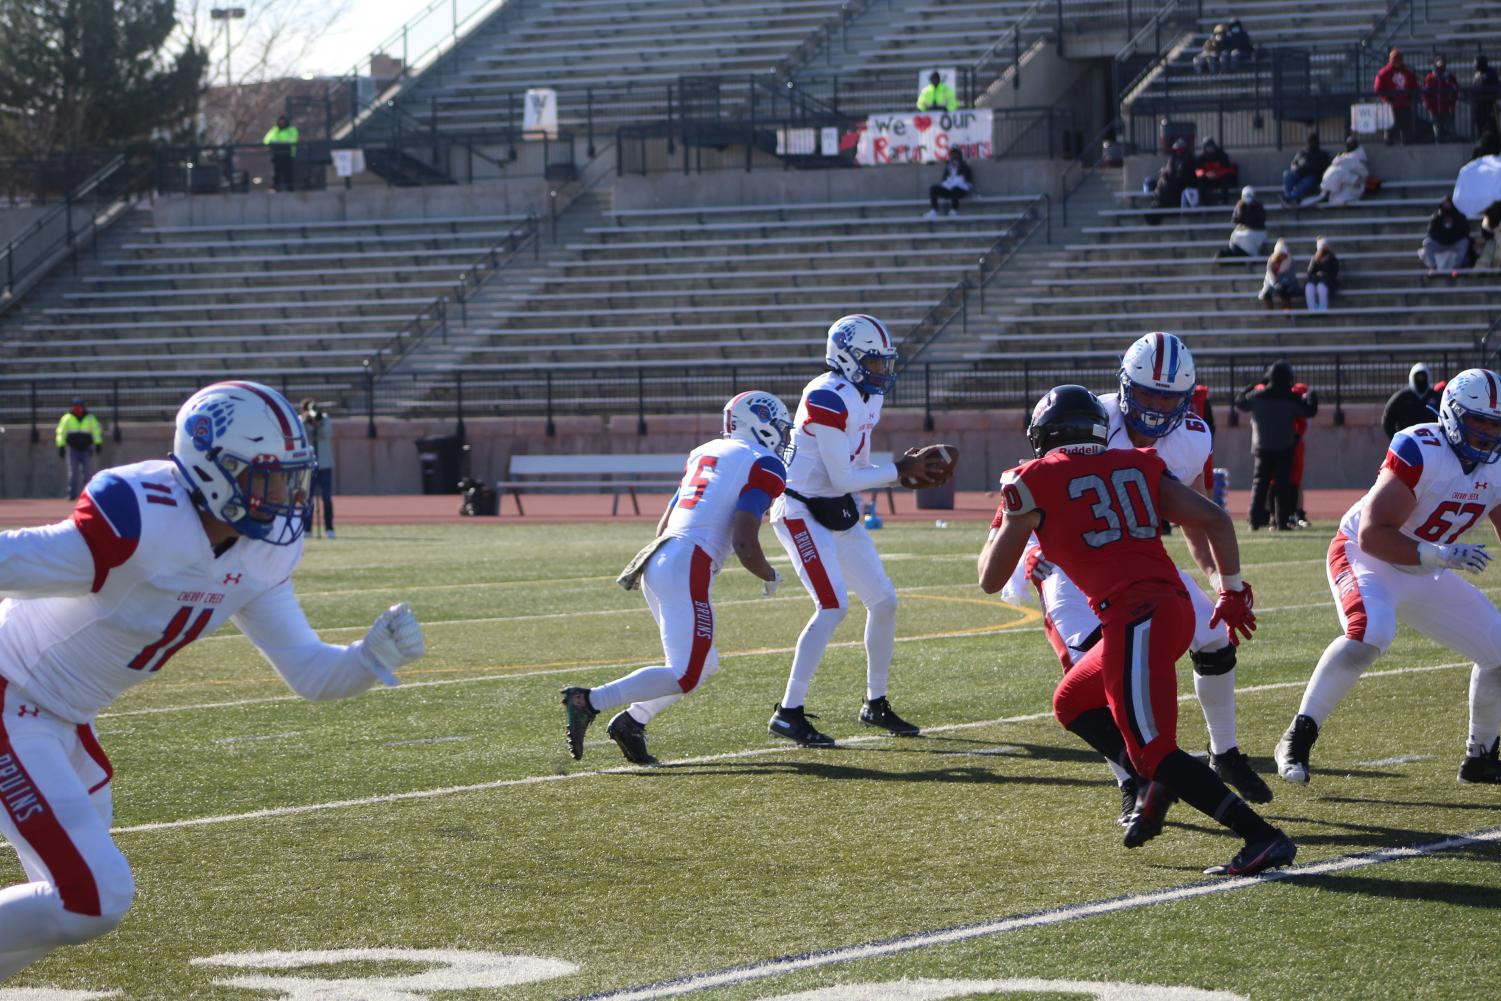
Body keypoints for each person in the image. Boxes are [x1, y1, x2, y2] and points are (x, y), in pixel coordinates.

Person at [0, 380, 427, 980]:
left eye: (290, 478)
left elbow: (308, 672)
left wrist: (365, 657)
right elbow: (11, 558)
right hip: (10, 696)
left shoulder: (262, 554)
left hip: (60, 717)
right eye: (265, 477)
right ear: (210, 470)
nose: (284, 496)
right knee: (90, 896)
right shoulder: (141, 518)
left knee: (66, 905)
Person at [980, 385, 1293, 876]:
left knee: (1154, 752)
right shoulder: (1141, 464)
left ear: (1045, 435)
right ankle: (1161, 780)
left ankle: (1260, 836)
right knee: (1071, 701)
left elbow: (990, 578)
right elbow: (1212, 519)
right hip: (1171, 608)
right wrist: (1229, 589)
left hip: (1135, 616)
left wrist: (1008, 517)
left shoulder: (1032, 479)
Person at [1275, 369, 1501, 786]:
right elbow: (1373, 534)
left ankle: (1481, 757)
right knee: (1371, 631)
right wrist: (1441, 554)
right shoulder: (1422, 448)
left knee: (1500, 650)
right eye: (1478, 421)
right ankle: (1297, 737)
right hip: (1366, 556)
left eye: (1496, 424)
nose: (1488, 434)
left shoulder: (1497, 466)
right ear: (1452, 416)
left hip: (1427, 568)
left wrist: (1436, 558)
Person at [561, 392, 791, 765]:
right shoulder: (764, 463)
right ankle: (589, 701)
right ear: (760, 423)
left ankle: (632, 722)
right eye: (780, 428)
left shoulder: (705, 451)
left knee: (703, 665)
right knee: (687, 673)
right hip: (687, 561)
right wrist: (770, 574)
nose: (783, 437)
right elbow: (745, 540)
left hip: (660, 555)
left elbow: (664, 523)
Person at [767, 314, 952, 747]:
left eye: (885, 362)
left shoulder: (864, 395)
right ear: (846, 358)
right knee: (832, 606)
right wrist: (898, 470)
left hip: (837, 507)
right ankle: (788, 712)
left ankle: (876, 702)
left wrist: (898, 471)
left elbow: (855, 471)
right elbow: (841, 475)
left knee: (884, 601)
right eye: (873, 361)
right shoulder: (826, 396)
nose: (882, 370)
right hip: (800, 509)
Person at [1236, 361, 1318, 530]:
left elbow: (1240, 403)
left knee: (1260, 484)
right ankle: (1282, 521)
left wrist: (1245, 390)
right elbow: (1309, 411)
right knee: (1282, 487)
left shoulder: (1258, 397)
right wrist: (1312, 396)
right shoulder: (1290, 398)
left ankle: (1254, 520)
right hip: (1284, 447)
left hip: (1262, 447)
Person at [299, 399, 335, 538]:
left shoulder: (325, 418)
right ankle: (307, 529)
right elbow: (302, 437)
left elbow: (325, 435)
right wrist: (306, 421)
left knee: (326, 498)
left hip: (325, 464)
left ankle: (329, 529)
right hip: (308, 465)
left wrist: (318, 424)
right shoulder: (300, 420)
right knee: (307, 499)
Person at [55, 398, 103, 502]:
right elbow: (61, 432)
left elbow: (96, 431)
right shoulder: (67, 418)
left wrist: (98, 443)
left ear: (83, 407)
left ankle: (89, 495)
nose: (77, 408)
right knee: (73, 472)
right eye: (75, 406)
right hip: (73, 448)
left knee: (87, 472)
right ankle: (72, 494)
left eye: (79, 406)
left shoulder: (90, 418)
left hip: (86, 448)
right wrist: (61, 446)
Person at [1381, 363, 1441, 437]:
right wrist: (1396, 439)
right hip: (1408, 442)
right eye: (1418, 377)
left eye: (1423, 377)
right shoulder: (1401, 398)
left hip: (1432, 442)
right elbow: (1387, 421)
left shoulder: (1436, 397)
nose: (1420, 381)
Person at [1418, 194, 1471, 276]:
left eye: (1448, 203)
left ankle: (1456, 268)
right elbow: (1431, 232)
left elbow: (1465, 231)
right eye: (1444, 203)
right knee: (1427, 243)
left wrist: (1453, 237)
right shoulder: (1435, 217)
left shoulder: (1459, 216)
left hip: (1454, 243)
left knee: (1464, 242)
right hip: (1440, 244)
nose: (1447, 205)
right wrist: (1443, 238)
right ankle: (1433, 268)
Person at [1374, 48, 1419, 145]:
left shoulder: (1408, 72)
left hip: (1405, 105)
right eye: (1394, 60)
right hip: (1390, 107)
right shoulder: (1384, 73)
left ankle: (1408, 150)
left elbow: (1415, 87)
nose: (1397, 62)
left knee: (1407, 131)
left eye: (1398, 60)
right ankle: (1389, 148)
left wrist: (1409, 98)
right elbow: (1378, 90)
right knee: (1390, 130)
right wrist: (1387, 99)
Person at [1215, 185, 1266, 260]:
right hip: (1242, 231)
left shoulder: (1258, 206)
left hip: (1256, 231)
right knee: (1235, 236)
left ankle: (1251, 254)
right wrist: (1240, 212)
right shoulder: (1239, 206)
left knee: (1246, 236)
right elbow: (1234, 221)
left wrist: (1247, 225)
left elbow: (1260, 222)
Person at [1151, 138, 1198, 217]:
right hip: (1173, 182)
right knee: (1164, 179)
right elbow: (1170, 171)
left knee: (1170, 186)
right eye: (1177, 149)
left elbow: (1189, 173)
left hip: (1185, 182)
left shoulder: (1190, 159)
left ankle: (1168, 207)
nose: (1178, 152)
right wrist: (1166, 171)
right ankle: (1158, 199)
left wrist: (1174, 175)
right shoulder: (1172, 159)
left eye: (1180, 149)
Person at [1318, 135, 1369, 207]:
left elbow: (1363, 172)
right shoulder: (1344, 156)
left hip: (1355, 183)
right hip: (1343, 182)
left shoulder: (1359, 155)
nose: (1350, 146)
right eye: (1348, 144)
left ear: (1356, 144)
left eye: (1352, 144)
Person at [1281, 132, 1330, 205]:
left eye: (1313, 141)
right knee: (1287, 174)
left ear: (1317, 142)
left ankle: (1292, 197)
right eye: (1310, 141)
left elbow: (1322, 168)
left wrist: (1307, 167)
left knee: (1308, 180)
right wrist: (1296, 167)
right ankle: (1289, 196)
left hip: (1313, 178)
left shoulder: (1322, 155)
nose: (1311, 143)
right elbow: (1294, 164)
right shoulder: (1302, 153)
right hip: (1299, 175)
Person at [926, 148, 974, 219]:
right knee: (933, 188)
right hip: (948, 189)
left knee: (955, 189)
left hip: (959, 191)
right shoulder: (948, 168)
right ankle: (934, 210)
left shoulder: (965, 167)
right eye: (952, 155)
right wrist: (947, 183)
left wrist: (961, 181)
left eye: (956, 154)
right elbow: (943, 180)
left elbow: (969, 181)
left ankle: (953, 210)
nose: (954, 157)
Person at [1422, 56, 1460, 143]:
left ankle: (1453, 146)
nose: (1440, 68)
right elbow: (1425, 93)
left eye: (1442, 66)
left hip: (1448, 108)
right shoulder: (1430, 77)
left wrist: (1452, 103)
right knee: (1437, 130)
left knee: (1451, 130)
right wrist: (1428, 105)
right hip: (1434, 108)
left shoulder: (1450, 77)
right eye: (1439, 66)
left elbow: (1456, 90)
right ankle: (1439, 146)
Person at [1258, 238, 1299, 310]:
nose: (1283, 256)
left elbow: (1291, 276)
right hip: (1272, 283)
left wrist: (1283, 283)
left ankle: (1287, 311)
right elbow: (1270, 276)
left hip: (1287, 283)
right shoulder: (1271, 261)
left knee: (1284, 291)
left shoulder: (1290, 261)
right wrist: (1277, 284)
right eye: (1281, 254)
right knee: (1266, 294)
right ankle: (1269, 312)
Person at [1195, 138, 1238, 204]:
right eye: (1207, 147)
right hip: (1208, 180)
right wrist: (1206, 174)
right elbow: (1197, 171)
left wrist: (1216, 174)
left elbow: (1229, 170)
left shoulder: (1222, 155)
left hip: (1220, 180)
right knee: (1200, 181)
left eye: (1210, 147)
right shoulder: (1201, 158)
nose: (1209, 149)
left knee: (1226, 178)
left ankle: (1224, 201)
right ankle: (1204, 203)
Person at [263, 115, 298, 192]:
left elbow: (293, 140)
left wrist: (280, 142)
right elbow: (266, 140)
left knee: (288, 172)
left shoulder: (291, 130)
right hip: (277, 154)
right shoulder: (274, 130)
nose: (282, 123)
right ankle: (277, 187)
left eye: (283, 121)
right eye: (280, 121)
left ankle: (290, 188)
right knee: (277, 172)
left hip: (288, 154)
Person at [1304, 236, 1339, 311]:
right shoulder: (1314, 259)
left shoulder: (1332, 259)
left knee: (1321, 287)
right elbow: (1309, 273)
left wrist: (1324, 274)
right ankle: (1312, 310)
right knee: (1309, 287)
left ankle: (1323, 310)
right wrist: (1317, 275)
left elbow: (1334, 274)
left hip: (1328, 282)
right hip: (1316, 280)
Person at [1473, 56, 1500, 141]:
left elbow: (1495, 88)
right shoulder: (1477, 74)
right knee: (1479, 123)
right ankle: (1481, 139)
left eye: (1476, 63)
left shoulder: (1491, 73)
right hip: (1478, 105)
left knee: (1489, 124)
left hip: (1488, 105)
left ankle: (1490, 140)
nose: (1474, 65)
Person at [1476, 199, 1501, 271]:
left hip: (1495, 239)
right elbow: (1485, 230)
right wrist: (1493, 233)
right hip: (1492, 240)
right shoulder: (1489, 215)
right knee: (1491, 247)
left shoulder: (1489, 213)